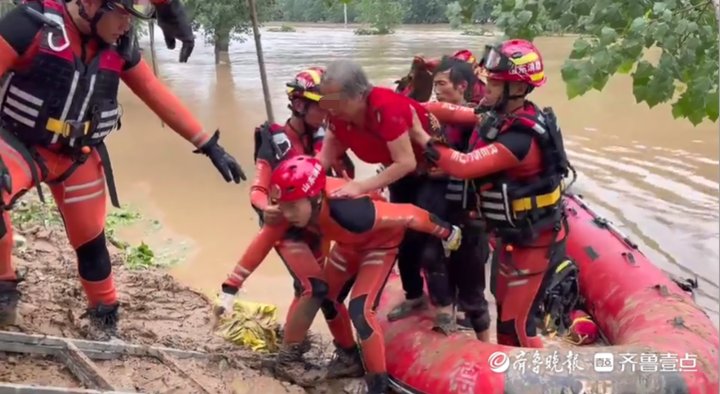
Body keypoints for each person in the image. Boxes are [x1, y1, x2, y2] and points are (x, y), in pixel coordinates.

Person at [0, 0, 245, 337]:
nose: (127, 26)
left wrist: (208, 145)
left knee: (91, 239)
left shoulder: (120, 47)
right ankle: (4, 289)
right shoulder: (31, 25)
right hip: (18, 143)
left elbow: (154, 92)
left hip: (78, 156)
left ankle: (104, 315)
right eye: (122, 15)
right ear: (91, 5)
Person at [217, 155, 463, 392]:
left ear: (314, 198)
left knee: (361, 312)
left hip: (380, 247)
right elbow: (263, 242)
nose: (287, 214)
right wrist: (230, 288)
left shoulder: (350, 210)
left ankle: (378, 383)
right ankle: (349, 357)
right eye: (282, 207)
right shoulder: (293, 206)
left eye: (292, 207)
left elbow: (410, 214)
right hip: (348, 247)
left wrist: (448, 232)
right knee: (326, 298)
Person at [408, 39, 573, 348]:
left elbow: (463, 165)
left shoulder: (521, 137)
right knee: (507, 323)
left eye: (495, 83)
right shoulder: (499, 115)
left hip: (536, 239)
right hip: (516, 235)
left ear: (518, 89)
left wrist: (419, 135)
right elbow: (451, 112)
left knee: (516, 325)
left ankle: (535, 380)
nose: (486, 87)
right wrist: (411, 109)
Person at [243, 67, 359, 380]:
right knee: (315, 287)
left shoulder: (331, 137)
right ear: (299, 104)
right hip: (288, 228)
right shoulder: (274, 140)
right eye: (321, 106)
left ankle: (348, 353)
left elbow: (346, 178)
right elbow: (258, 188)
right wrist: (265, 207)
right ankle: (287, 359)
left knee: (323, 291)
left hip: (320, 227)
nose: (327, 113)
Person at [316, 59, 447, 331]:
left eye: (336, 100)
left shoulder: (386, 107)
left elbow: (407, 162)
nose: (329, 107)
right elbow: (323, 160)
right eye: (326, 99)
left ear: (359, 94)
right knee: (403, 237)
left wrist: (362, 186)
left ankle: (446, 307)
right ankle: (415, 297)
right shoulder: (336, 115)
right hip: (399, 173)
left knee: (428, 238)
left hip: (431, 172)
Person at [387, 56, 492, 340]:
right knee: (411, 247)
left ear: (462, 86)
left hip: (459, 198)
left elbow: (475, 163)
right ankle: (421, 298)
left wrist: (442, 170)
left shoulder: (475, 121)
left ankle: (451, 309)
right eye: (435, 83)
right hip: (431, 192)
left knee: (442, 255)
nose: (436, 89)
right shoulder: (431, 116)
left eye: (442, 84)